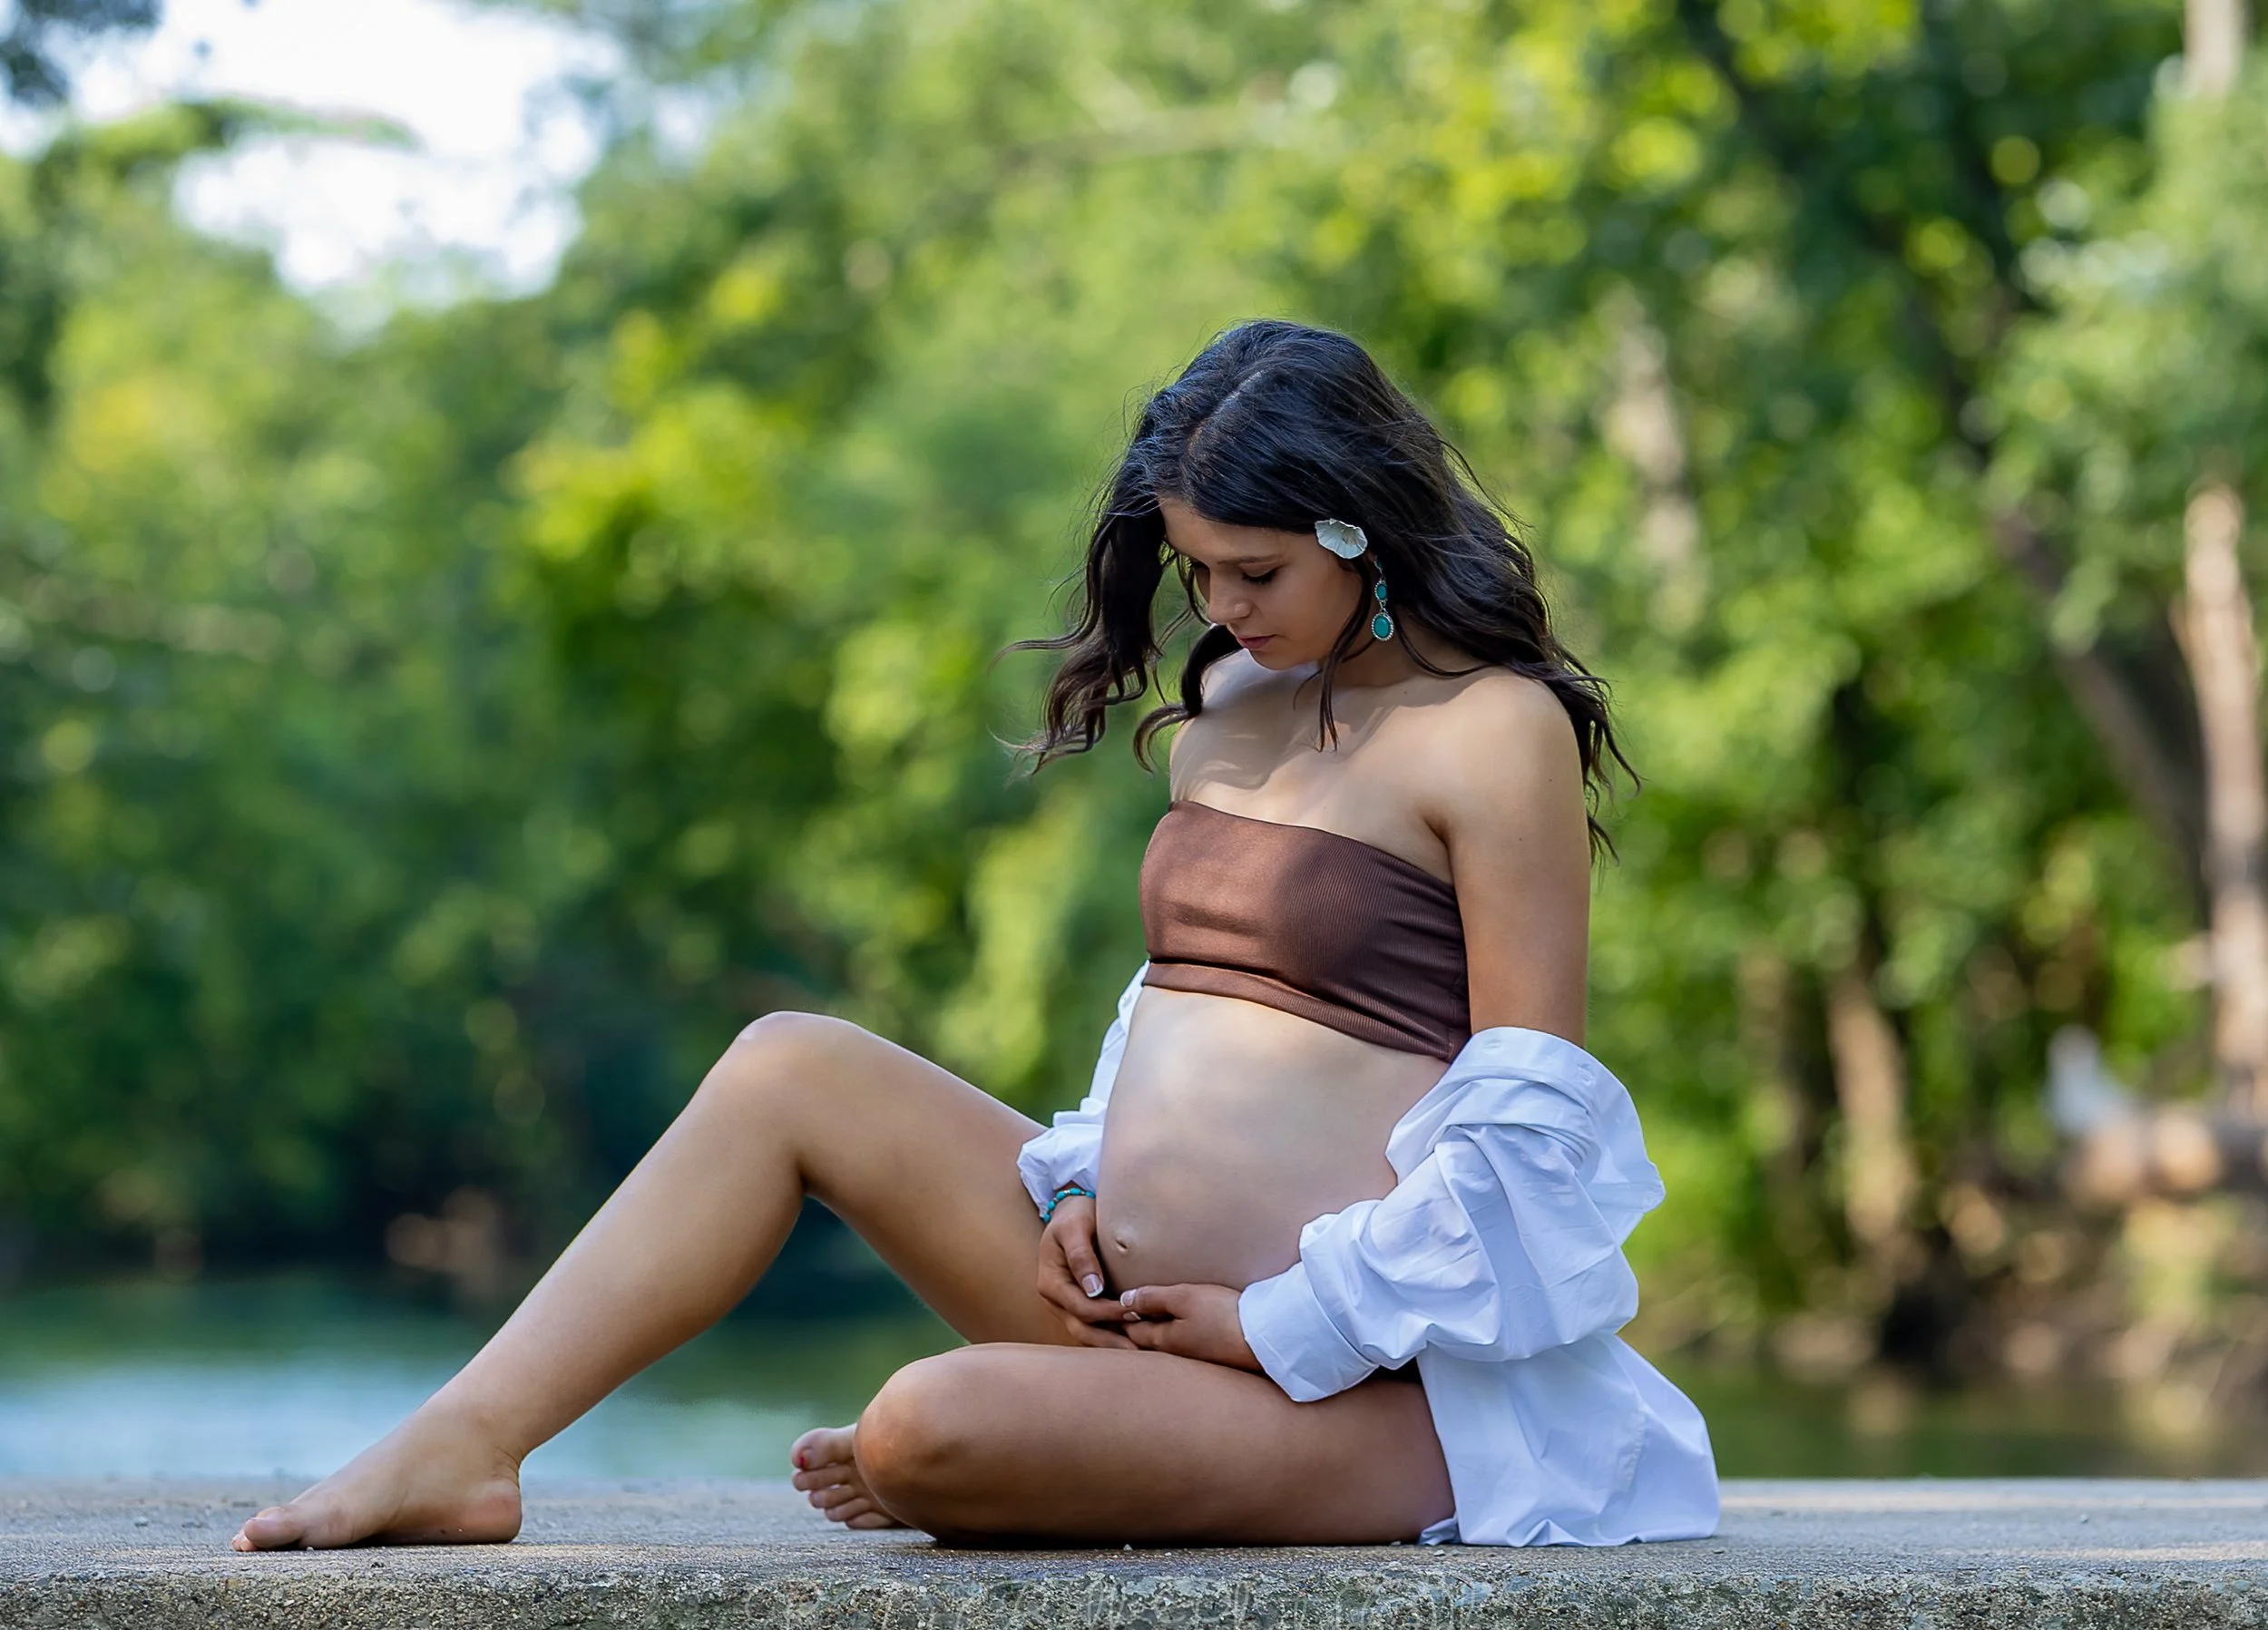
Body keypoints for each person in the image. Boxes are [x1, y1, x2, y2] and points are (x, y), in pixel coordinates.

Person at [231, 318, 1717, 1553]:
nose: (1221, 608)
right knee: (786, 1063)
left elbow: (1528, 1131)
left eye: (1255, 572)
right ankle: (466, 1438)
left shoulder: (1491, 732)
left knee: (921, 1426)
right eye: (1196, 572)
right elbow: (1179, 1014)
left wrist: (1280, 1318)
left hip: (1368, 1381)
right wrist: (1086, 1180)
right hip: (1128, 1309)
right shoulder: (1231, 713)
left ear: (1363, 530)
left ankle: (1006, 1458)